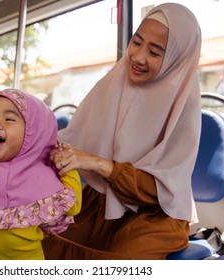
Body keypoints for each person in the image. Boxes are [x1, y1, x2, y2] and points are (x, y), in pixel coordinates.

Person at [42, 3, 202, 260]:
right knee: (44, 240)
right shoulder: (114, 83)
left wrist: (98, 163)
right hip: (104, 198)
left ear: (176, 58)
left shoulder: (184, 105)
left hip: (154, 213)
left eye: (154, 51)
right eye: (136, 42)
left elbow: (161, 190)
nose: (137, 57)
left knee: (122, 260)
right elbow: (70, 139)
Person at [0, 88, 82, 260]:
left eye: (9, 119)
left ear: (34, 133)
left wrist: (68, 167)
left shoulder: (41, 176)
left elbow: (72, 205)